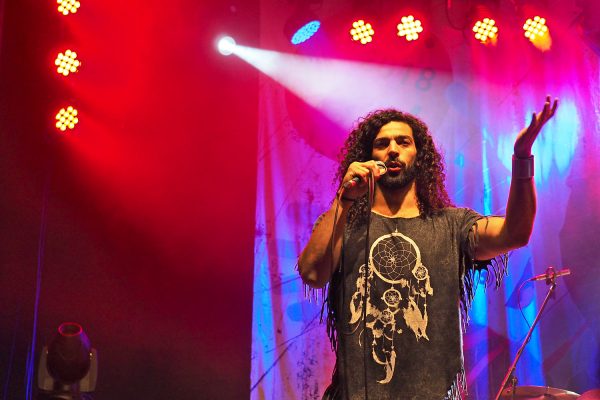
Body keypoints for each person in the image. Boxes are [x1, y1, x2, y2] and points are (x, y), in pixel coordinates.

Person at [297, 97, 558, 400]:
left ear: (419, 156)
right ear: (369, 156)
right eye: (382, 144)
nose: (392, 149)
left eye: (402, 142)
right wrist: (344, 199)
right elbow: (313, 274)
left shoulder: (452, 225)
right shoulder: (344, 223)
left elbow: (515, 233)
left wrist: (522, 156)